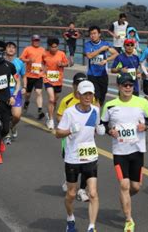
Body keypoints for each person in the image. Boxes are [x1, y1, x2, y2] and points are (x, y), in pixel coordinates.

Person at [101, 73, 148, 232]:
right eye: (125, 85)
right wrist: (109, 131)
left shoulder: (142, 102)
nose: (128, 88)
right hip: (119, 152)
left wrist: (144, 127)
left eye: (130, 85)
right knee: (124, 185)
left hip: (137, 150)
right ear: (118, 86)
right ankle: (129, 220)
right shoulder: (110, 105)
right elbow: (102, 125)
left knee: (136, 187)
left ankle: (125, 199)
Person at [55, 80, 101, 232]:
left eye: (91, 94)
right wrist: (69, 131)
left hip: (90, 156)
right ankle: (70, 219)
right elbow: (58, 133)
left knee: (93, 193)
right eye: (85, 94)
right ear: (78, 95)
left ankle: (91, 227)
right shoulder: (69, 112)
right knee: (71, 194)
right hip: (73, 158)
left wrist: (100, 129)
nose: (88, 97)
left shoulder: (95, 110)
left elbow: (96, 127)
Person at [84, 25, 119, 106]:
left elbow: (116, 54)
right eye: (91, 34)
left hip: (103, 74)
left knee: (102, 96)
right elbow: (89, 56)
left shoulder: (105, 44)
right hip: (92, 74)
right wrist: (100, 50)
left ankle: (97, 110)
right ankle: (97, 116)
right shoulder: (88, 45)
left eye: (94, 33)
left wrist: (106, 60)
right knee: (96, 96)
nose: (92, 36)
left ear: (99, 34)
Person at [43, 37, 69, 130]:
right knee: (51, 98)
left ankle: (49, 112)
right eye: (52, 47)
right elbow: (41, 63)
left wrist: (62, 64)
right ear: (49, 47)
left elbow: (67, 63)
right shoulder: (45, 54)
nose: (54, 49)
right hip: (48, 79)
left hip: (58, 80)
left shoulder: (61, 54)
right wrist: (42, 70)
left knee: (54, 100)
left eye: (56, 47)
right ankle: (50, 120)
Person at [4, 41, 26, 144]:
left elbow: (24, 75)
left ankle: (12, 126)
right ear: (5, 49)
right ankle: (7, 134)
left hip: (16, 92)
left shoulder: (19, 62)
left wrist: (25, 87)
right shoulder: (0, 61)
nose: (11, 49)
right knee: (5, 115)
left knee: (17, 115)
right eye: (9, 47)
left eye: (13, 47)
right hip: (3, 93)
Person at [20, 34, 46, 119]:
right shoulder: (28, 49)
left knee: (39, 92)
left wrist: (43, 67)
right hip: (29, 75)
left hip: (39, 75)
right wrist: (28, 60)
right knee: (27, 95)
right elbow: (21, 58)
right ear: (32, 41)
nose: (36, 42)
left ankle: (39, 110)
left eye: (38, 40)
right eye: (35, 40)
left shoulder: (42, 50)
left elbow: (46, 61)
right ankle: (26, 103)